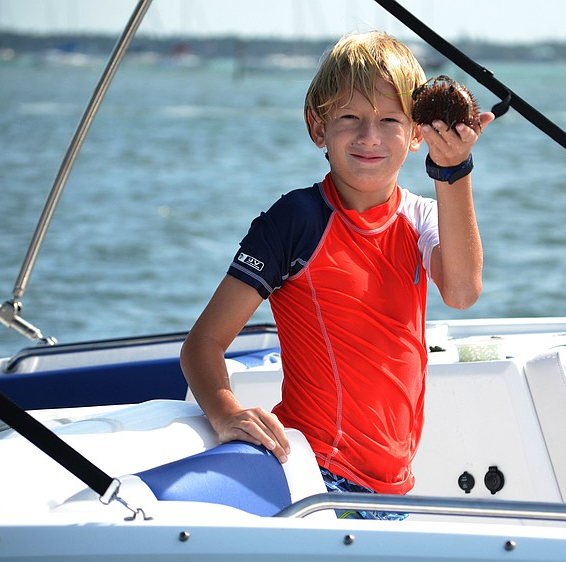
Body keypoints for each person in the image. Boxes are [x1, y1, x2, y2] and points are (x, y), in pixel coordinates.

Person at [180, 31, 494, 519]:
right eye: (350, 118)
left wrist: (454, 169)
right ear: (317, 126)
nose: (369, 136)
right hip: (318, 477)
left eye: (389, 120)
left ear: (416, 134)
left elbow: (461, 291)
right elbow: (202, 344)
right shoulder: (295, 221)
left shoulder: (423, 218)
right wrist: (226, 414)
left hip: (394, 487)